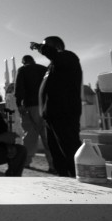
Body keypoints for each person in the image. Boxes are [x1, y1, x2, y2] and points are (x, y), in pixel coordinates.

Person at [30, 36, 82, 177]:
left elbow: (54, 55)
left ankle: (76, 175)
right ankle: (64, 177)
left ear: (55, 46)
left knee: (69, 147)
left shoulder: (68, 57)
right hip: (51, 115)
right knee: (56, 152)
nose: (43, 48)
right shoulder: (53, 65)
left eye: (46, 45)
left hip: (64, 112)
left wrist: (39, 47)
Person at [14, 55, 55, 172]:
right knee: (48, 136)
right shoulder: (43, 69)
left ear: (23, 62)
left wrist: (19, 104)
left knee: (30, 136)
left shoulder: (23, 70)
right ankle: (53, 164)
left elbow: (19, 89)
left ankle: (26, 162)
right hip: (47, 106)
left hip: (31, 107)